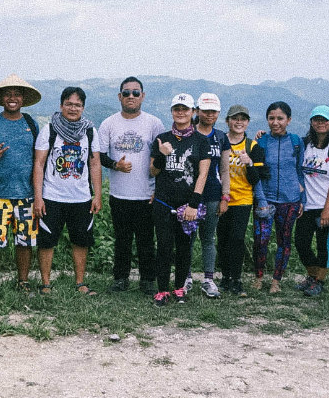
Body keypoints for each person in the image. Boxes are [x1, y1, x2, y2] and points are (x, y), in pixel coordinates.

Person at [97, 76, 164, 295]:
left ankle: (147, 280)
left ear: (143, 96)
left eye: (136, 93)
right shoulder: (109, 123)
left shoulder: (153, 123)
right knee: (122, 240)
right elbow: (99, 156)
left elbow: (161, 160)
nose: (131, 97)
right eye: (126, 93)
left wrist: (158, 190)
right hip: (119, 194)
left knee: (146, 239)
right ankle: (120, 279)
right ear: (119, 97)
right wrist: (116, 165)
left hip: (146, 193)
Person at [0, 74, 42, 295]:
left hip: (26, 194)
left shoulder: (31, 124)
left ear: (23, 99)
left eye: (17, 94)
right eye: (8, 94)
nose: (12, 98)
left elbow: (39, 158)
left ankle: (22, 281)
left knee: (25, 241)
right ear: (1, 98)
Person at [32, 86, 102, 295]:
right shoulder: (50, 130)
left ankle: (80, 283)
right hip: (52, 196)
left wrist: (97, 195)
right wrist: (38, 197)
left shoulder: (89, 131)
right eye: (69, 104)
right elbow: (39, 163)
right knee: (47, 241)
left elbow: (95, 164)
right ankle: (46, 284)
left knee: (81, 240)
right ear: (61, 105)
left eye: (77, 105)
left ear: (83, 107)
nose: (73, 108)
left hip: (81, 197)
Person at [149, 93, 210, 306]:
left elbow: (202, 174)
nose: (181, 113)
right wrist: (162, 154)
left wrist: (194, 204)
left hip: (187, 204)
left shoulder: (201, 141)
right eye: (177, 109)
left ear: (193, 112)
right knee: (164, 246)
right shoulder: (162, 138)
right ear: (172, 112)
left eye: (185, 109)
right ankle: (162, 290)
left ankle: (179, 289)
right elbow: (153, 172)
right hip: (164, 202)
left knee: (184, 247)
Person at [252, 101, 306, 293]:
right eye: (271, 118)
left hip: (290, 199)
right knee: (261, 240)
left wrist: (303, 200)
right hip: (264, 198)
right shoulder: (261, 141)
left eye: (280, 118)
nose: (276, 122)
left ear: (289, 120)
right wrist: (260, 199)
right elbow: (256, 173)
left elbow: (300, 172)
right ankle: (258, 278)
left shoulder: (297, 142)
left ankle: (276, 281)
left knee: (284, 241)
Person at [293, 105, 329, 298]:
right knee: (301, 243)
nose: (320, 123)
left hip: (325, 206)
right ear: (311, 122)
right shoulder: (305, 143)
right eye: (316, 119)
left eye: (324, 120)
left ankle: (320, 281)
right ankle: (312, 276)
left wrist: (327, 209)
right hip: (306, 205)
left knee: (324, 245)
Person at [216, 104, 265, 296]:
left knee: (236, 239)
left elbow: (256, 179)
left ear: (248, 123)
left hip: (243, 199)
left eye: (243, 119)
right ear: (227, 121)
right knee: (222, 239)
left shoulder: (252, 146)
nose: (239, 122)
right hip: (221, 199)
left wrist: (250, 164)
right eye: (235, 118)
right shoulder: (220, 141)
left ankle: (236, 279)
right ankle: (225, 277)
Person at [192, 92, 231, 298]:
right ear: (197, 111)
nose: (209, 115)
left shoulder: (221, 137)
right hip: (189, 195)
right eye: (205, 111)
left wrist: (226, 196)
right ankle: (186, 277)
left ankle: (208, 279)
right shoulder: (189, 133)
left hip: (213, 193)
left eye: (213, 112)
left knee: (208, 238)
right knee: (187, 238)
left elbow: (224, 169)